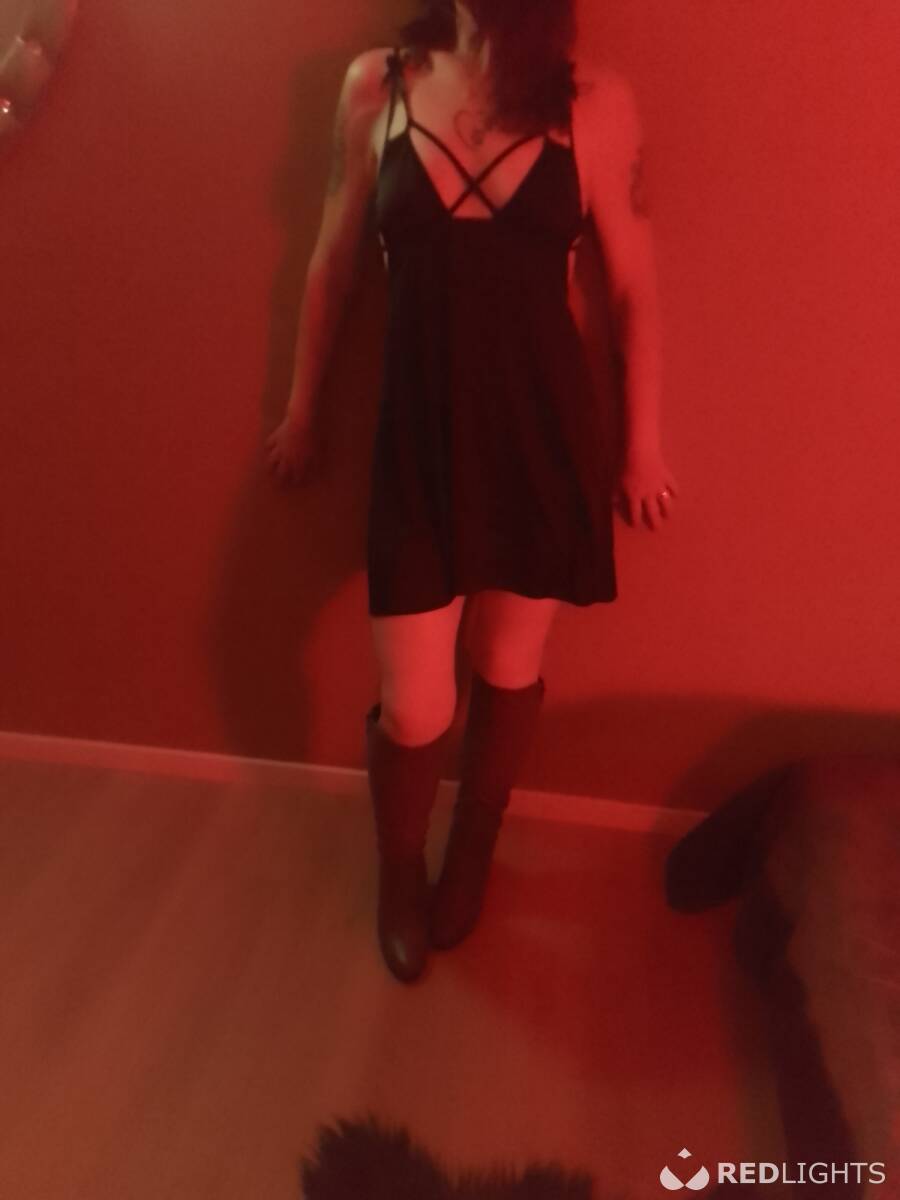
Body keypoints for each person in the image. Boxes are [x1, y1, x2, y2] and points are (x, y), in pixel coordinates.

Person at [266, 0, 679, 984]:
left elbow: (633, 289)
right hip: (417, 438)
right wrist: (302, 409)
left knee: (505, 664)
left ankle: (472, 853)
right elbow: (331, 265)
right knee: (415, 705)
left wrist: (641, 445)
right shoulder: (377, 84)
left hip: (542, 437)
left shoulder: (595, 102)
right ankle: (399, 869)